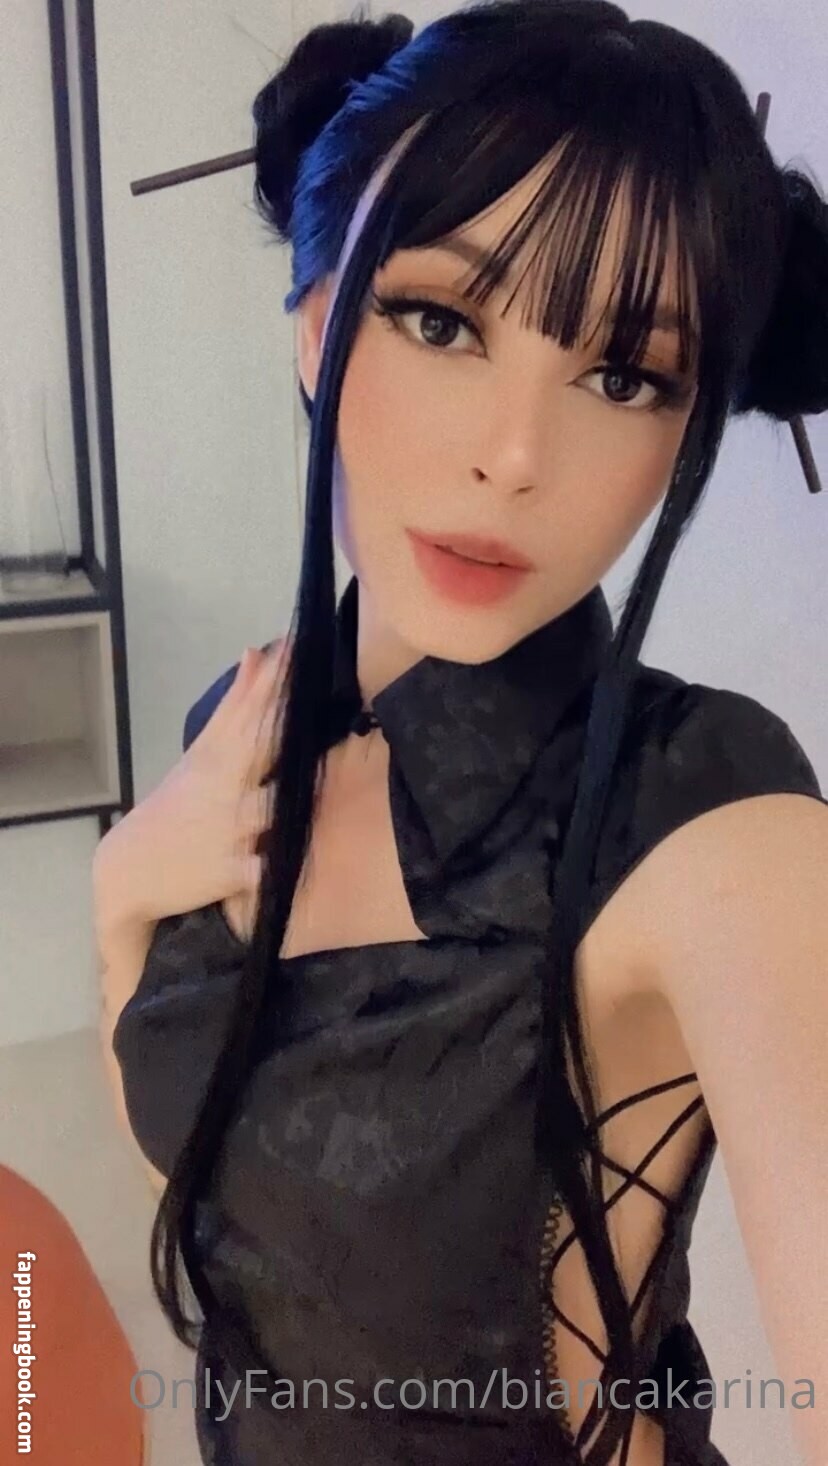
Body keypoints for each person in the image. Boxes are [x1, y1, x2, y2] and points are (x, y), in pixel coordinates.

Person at [94, 4, 828, 1463]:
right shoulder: (238, 725)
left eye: (625, 376)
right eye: (441, 322)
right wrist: (127, 886)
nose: (515, 456)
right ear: (318, 332)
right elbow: (213, 1189)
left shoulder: (712, 822)